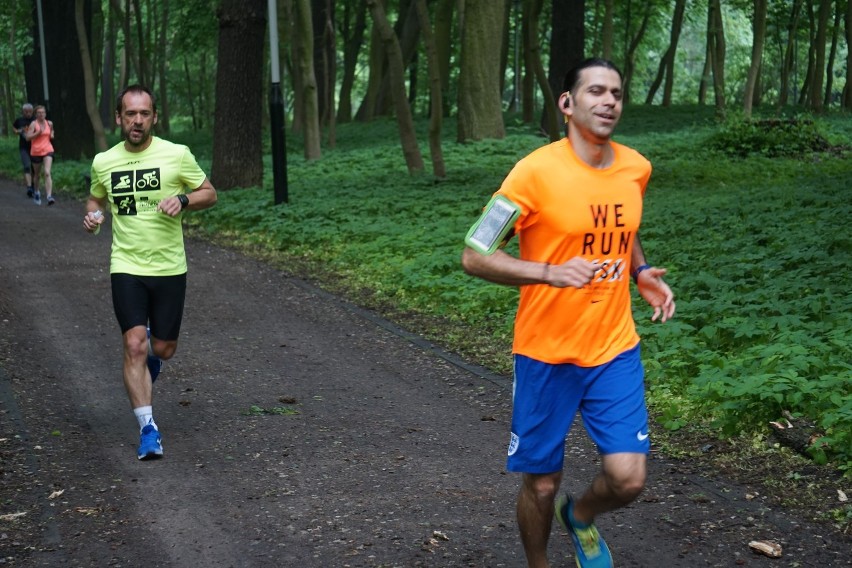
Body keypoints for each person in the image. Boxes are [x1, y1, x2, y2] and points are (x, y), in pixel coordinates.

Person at [460, 58, 675, 568]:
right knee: (541, 484)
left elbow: (624, 228)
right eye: (596, 91)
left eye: (617, 94)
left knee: (629, 478)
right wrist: (549, 272)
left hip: (612, 348)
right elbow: (474, 254)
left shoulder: (635, 168)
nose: (609, 102)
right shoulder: (534, 173)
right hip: (546, 353)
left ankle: (579, 515)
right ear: (567, 103)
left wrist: (639, 272)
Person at [82, 85, 217, 460]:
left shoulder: (177, 155)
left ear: (154, 116)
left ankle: (150, 362)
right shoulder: (104, 161)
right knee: (134, 344)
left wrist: (184, 199)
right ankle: (148, 430)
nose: (137, 121)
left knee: (163, 348)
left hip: (170, 267)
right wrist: (94, 214)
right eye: (130, 114)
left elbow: (210, 192)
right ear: (119, 118)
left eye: (144, 114)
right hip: (126, 266)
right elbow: (96, 197)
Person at [25, 105, 55, 205]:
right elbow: (28, 138)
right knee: (37, 175)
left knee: (47, 172)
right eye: (39, 113)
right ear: (36, 114)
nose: (41, 114)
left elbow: (51, 134)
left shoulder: (49, 123)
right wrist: (37, 133)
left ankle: (49, 196)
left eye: (43, 112)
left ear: (45, 114)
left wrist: (52, 134)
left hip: (48, 150)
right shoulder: (33, 124)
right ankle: (37, 191)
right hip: (36, 152)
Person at [12, 103, 35, 198]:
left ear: (32, 112)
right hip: (23, 147)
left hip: (35, 148)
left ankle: (33, 185)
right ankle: (29, 187)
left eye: (30, 111)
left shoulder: (35, 120)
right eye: (26, 111)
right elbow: (14, 127)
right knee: (26, 166)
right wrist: (17, 131)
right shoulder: (19, 120)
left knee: (34, 169)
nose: (28, 113)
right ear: (23, 112)